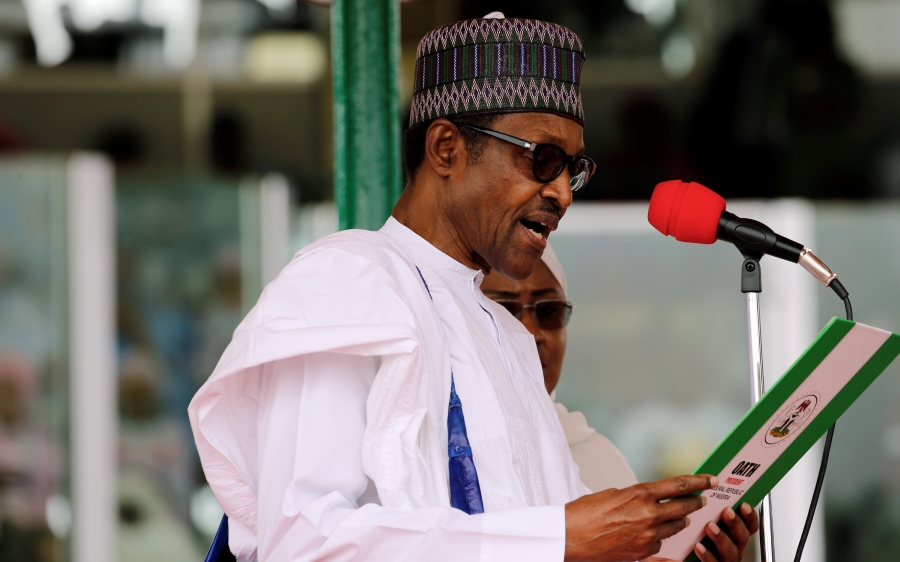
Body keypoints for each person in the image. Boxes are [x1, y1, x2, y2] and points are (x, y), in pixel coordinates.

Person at [189, 14, 758, 562]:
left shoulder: (505, 338)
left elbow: (539, 542)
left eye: (572, 170)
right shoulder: (349, 282)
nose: (562, 192)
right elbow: (305, 543)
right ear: (446, 149)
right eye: (542, 159)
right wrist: (558, 538)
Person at [480, 246, 638, 492]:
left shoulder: (600, 461)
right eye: (504, 313)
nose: (532, 334)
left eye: (549, 311)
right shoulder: (437, 451)